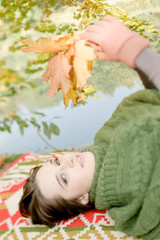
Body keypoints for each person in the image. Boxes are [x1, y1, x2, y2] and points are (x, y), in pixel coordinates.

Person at [19, 15, 160, 240]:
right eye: (63, 177)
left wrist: (133, 61)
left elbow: (153, 99)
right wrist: (132, 50)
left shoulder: (104, 139)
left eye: (56, 161)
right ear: (81, 199)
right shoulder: (124, 180)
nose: (67, 161)